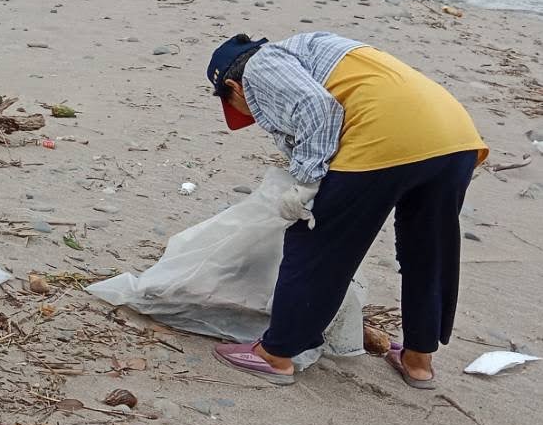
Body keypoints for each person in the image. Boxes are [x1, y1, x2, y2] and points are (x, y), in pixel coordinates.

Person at [206, 32, 488, 389]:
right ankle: (419, 361)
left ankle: (275, 354)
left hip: (387, 136)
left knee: (316, 242)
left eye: (237, 106)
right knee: (427, 251)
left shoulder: (262, 64)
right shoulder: (319, 47)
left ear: (233, 86)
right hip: (455, 139)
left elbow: (318, 108)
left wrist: (307, 183)